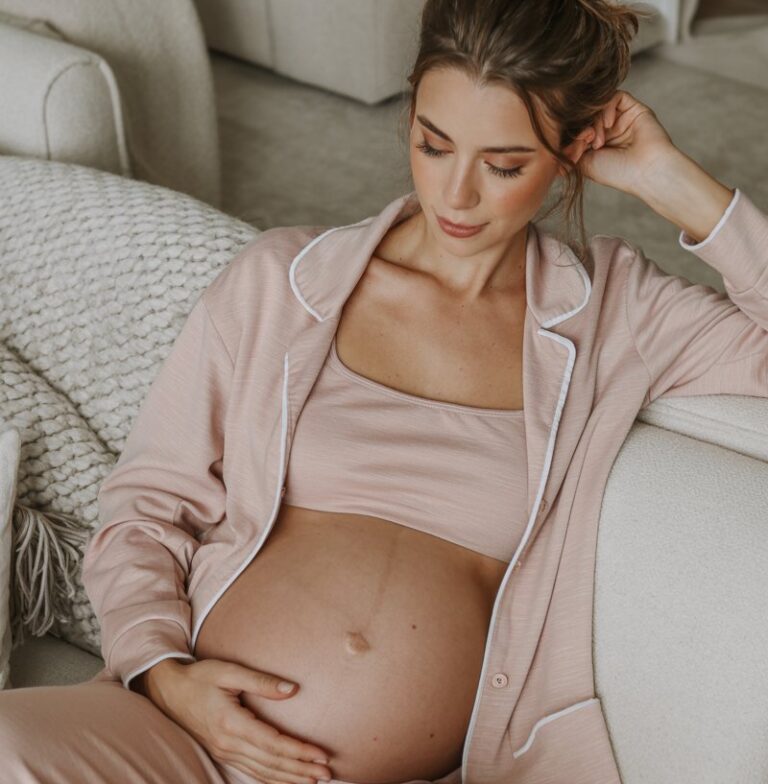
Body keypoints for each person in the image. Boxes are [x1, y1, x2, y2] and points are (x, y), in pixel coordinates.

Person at [2, 0, 766, 783]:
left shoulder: (617, 313)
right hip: (179, 738)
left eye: (503, 165)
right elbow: (148, 503)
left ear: (571, 152)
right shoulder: (280, 283)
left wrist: (675, 183)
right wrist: (164, 672)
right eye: (433, 145)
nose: (456, 195)